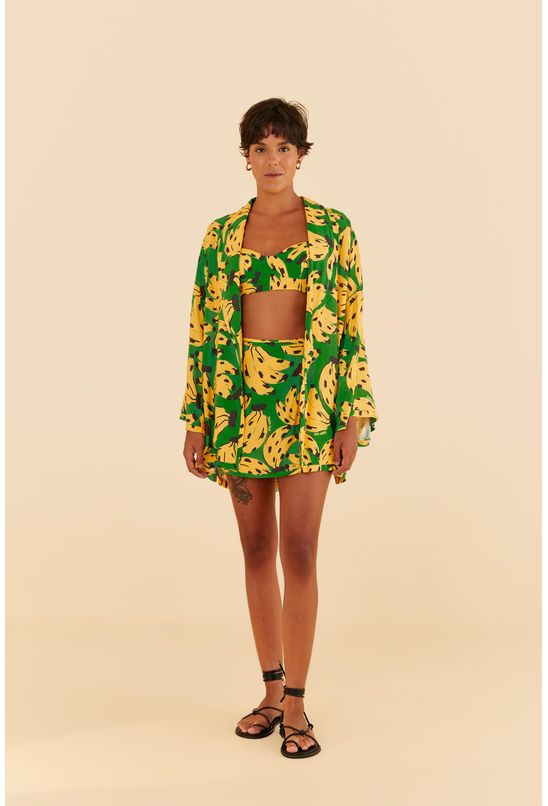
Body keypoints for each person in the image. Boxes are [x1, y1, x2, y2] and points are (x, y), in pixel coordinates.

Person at [180, 98, 378, 758]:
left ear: (301, 154)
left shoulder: (333, 230)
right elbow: (201, 330)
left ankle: (297, 702)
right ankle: (269, 692)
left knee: (300, 549)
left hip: (310, 405)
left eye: (283, 147)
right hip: (238, 408)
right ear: (246, 157)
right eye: (260, 148)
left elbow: (350, 322)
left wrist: (353, 411)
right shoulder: (220, 236)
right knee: (256, 547)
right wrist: (196, 420)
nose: (272, 159)